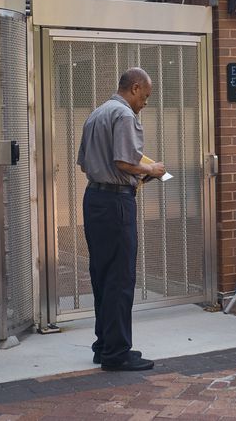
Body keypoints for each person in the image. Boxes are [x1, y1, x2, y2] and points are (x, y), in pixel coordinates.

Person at [76, 67, 166, 371]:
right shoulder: (125, 115)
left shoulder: (97, 113)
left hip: (94, 200)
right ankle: (117, 353)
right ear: (136, 87)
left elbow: (84, 162)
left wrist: (129, 172)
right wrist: (151, 170)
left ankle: (103, 345)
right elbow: (124, 161)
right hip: (116, 203)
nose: (145, 103)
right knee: (120, 278)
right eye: (146, 97)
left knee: (102, 275)